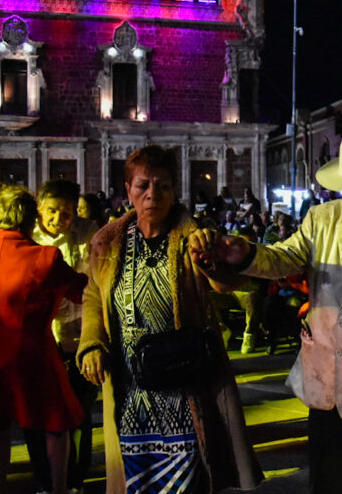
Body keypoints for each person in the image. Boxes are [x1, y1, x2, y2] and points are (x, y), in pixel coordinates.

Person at [188, 128, 342, 494]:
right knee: (327, 482)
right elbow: (283, 257)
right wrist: (245, 253)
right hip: (327, 380)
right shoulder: (322, 218)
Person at [77, 146, 262, 493]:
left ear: (175, 190)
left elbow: (228, 283)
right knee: (136, 480)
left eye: (162, 186)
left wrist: (210, 258)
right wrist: (91, 344)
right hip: (131, 389)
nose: (152, 195)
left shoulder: (194, 236)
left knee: (189, 479)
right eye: (142, 186)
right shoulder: (108, 243)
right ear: (128, 190)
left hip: (184, 387)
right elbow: (92, 296)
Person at [0, 185, 88, 494]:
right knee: (55, 423)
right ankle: (59, 488)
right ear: (31, 220)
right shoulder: (45, 257)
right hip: (31, 347)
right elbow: (82, 292)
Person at [25, 179, 100, 494]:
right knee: (36, 414)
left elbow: (96, 279)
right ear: (40, 207)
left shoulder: (87, 234)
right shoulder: (28, 237)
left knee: (79, 413)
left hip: (78, 334)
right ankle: (43, 478)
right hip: (41, 338)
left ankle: (75, 479)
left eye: (66, 212)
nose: (57, 218)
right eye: (52, 211)